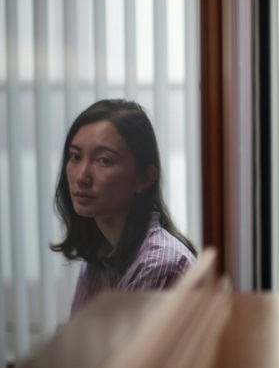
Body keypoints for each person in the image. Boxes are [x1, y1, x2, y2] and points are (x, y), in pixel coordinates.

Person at [51, 99, 197, 316]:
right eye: (75, 156)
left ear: (144, 178)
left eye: (104, 161)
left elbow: (126, 351)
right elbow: (80, 343)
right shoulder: (101, 251)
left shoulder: (158, 264)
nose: (81, 177)